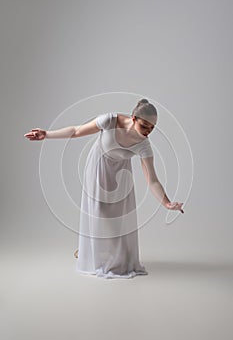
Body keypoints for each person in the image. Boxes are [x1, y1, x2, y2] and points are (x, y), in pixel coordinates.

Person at [24, 99, 184, 279]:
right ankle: (88, 252)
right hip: (98, 168)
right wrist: (47, 134)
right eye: (145, 126)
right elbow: (76, 131)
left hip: (121, 175)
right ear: (133, 118)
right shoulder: (110, 121)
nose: (148, 132)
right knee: (99, 212)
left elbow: (152, 180)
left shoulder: (144, 145)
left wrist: (167, 202)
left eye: (152, 128)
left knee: (117, 219)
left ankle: (101, 254)